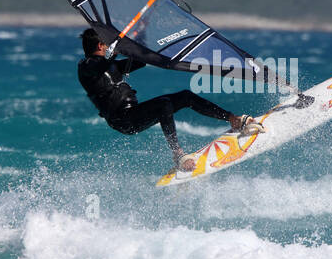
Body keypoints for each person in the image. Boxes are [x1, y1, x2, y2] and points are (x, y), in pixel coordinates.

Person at [77, 27, 264, 171]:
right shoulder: (86, 67)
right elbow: (98, 68)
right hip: (122, 120)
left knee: (185, 96)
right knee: (164, 105)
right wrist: (118, 49)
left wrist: (139, 37)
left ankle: (233, 118)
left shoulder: (112, 66)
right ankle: (178, 154)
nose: (109, 45)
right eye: (106, 42)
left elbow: (141, 60)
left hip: (133, 114)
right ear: (100, 45)